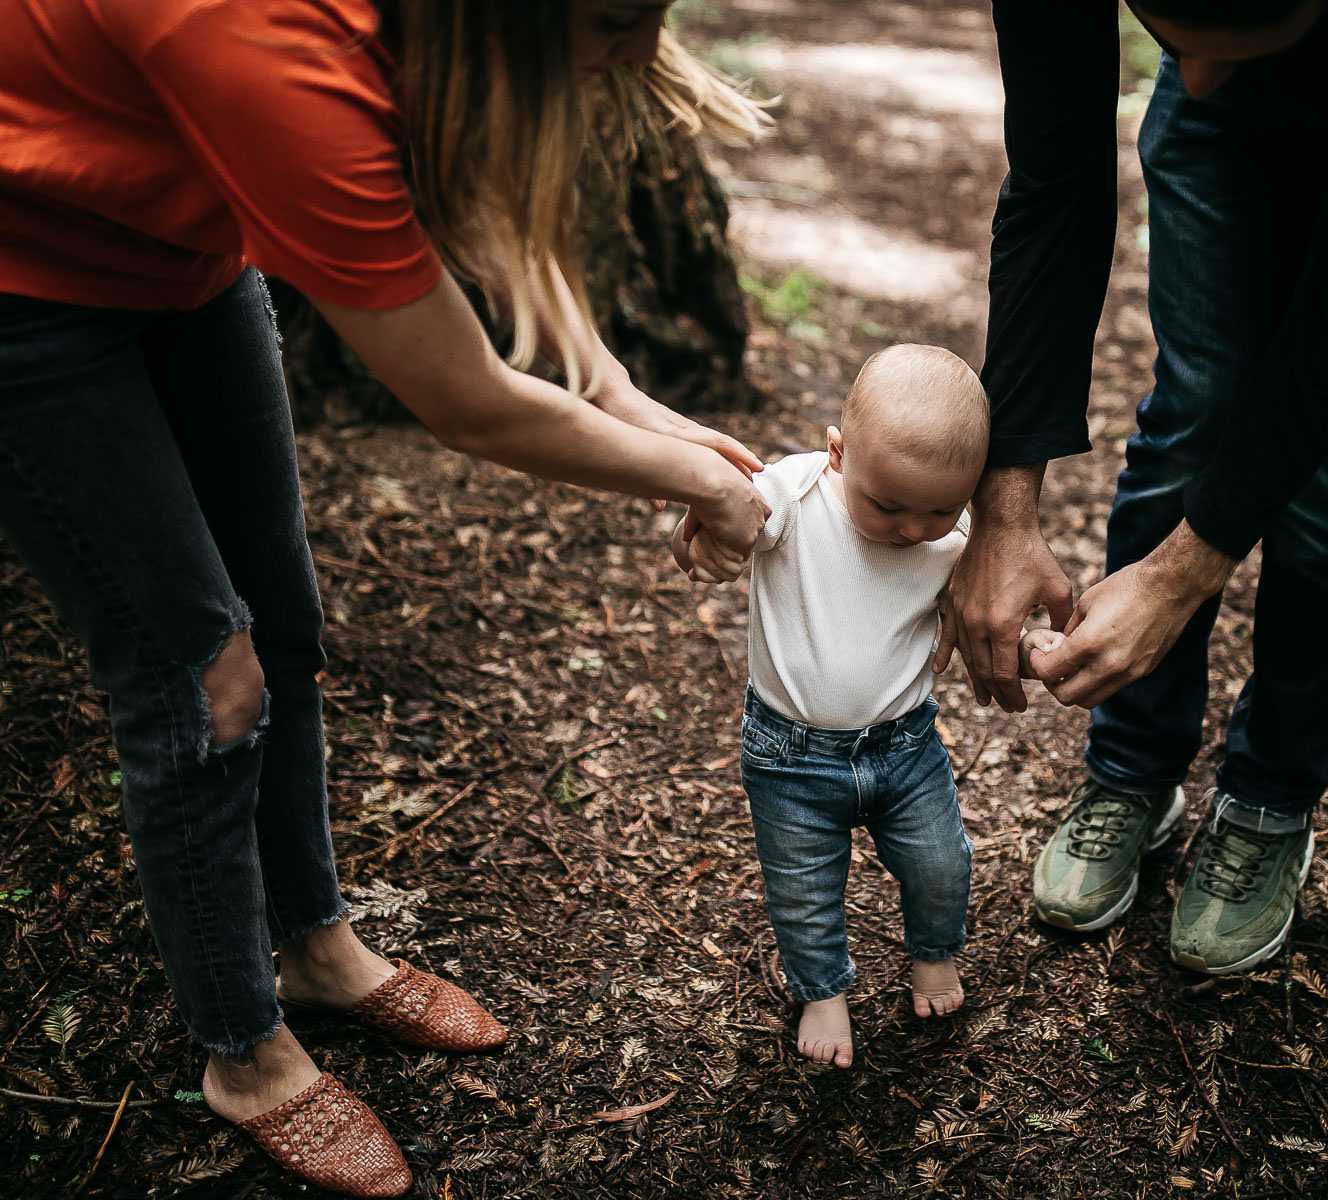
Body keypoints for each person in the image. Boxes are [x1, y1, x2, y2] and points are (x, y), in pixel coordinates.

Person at [0, 1, 769, 1193]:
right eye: (617, 20)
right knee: (207, 676)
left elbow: (481, 207)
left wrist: (639, 410)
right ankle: (242, 1053)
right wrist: (690, 484)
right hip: (26, 282)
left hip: (185, 260)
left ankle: (317, 948)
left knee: (284, 627)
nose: (630, 50)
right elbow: (465, 400)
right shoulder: (268, 43)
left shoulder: (423, 29)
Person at [943, 0, 1328, 973]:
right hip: (1266, 123)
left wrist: (1179, 574)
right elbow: (1056, 181)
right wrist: (1005, 505)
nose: (1186, 83)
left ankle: (1271, 800)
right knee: (1195, 410)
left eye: (1221, 44)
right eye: (1166, 33)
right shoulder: (1204, 74)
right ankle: (1133, 769)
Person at [675, 345, 1006, 1069]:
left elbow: (988, 591)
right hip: (789, 756)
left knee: (941, 863)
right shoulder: (794, 491)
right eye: (886, 505)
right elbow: (740, 513)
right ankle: (822, 989)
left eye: (940, 510)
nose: (913, 530)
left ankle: (934, 953)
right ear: (837, 453)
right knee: (802, 889)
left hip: (905, 749)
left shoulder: (956, 535)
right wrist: (715, 533)